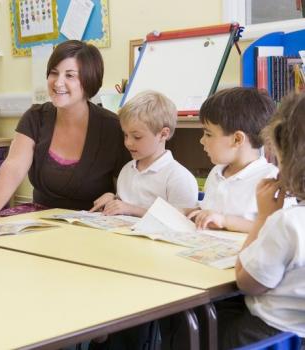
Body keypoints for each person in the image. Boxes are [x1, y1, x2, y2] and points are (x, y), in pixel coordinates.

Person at [0, 40, 129, 224]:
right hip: (41, 222)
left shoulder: (112, 127)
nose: (58, 82)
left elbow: (132, 182)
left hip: (93, 225)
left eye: (70, 75)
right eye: (54, 73)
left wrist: (115, 197)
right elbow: (14, 166)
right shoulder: (35, 117)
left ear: (89, 80)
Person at [217, 92, 305, 349]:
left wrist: (264, 218)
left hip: (270, 337)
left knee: (205, 321)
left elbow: (248, 282)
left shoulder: (287, 222)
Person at [90, 90, 198, 216]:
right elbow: (123, 207)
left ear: (163, 134)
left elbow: (183, 219)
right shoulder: (127, 170)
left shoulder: (178, 177)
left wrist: (132, 210)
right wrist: (112, 200)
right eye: (125, 135)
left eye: (137, 137)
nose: (128, 143)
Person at [186, 87, 277, 233]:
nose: (202, 141)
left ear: (237, 139)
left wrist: (225, 221)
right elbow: (209, 212)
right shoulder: (217, 172)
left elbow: (276, 230)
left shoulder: (271, 179)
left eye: (208, 134)